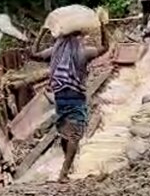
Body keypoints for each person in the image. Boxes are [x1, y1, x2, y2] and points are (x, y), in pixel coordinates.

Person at [30, 21, 109, 183]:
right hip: (75, 96)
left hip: (59, 96)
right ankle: (64, 173)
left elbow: (34, 54)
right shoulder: (82, 52)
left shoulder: (55, 51)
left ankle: (68, 165)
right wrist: (103, 26)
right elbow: (105, 48)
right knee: (75, 134)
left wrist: (41, 33)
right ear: (77, 36)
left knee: (65, 132)